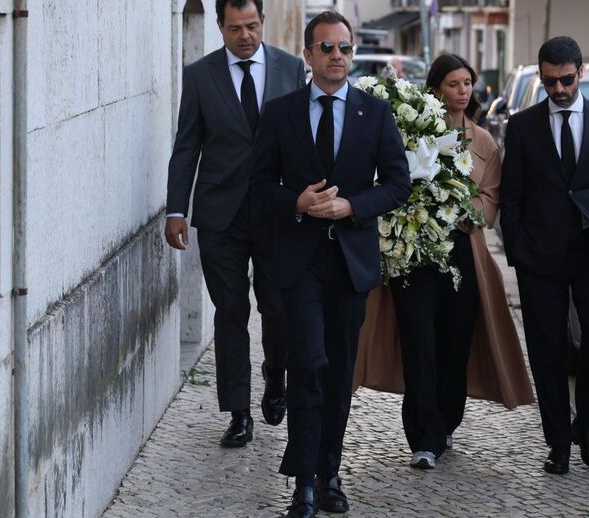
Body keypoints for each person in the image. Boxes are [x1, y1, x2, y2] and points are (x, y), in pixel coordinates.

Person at [250, 11, 411, 518]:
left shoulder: (374, 113)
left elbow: (399, 183)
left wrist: (353, 206)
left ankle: (331, 472)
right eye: (327, 48)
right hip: (298, 262)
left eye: (344, 48)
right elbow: (256, 187)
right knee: (309, 364)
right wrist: (295, 202)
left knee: (339, 370)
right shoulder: (280, 113)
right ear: (309, 55)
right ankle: (303, 482)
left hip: (349, 260)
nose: (337, 56)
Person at [353, 54, 534, 470]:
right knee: (419, 344)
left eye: (468, 82)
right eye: (454, 84)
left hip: (464, 258)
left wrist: (451, 200)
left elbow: (490, 205)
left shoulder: (484, 143)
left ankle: (446, 423)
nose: (464, 90)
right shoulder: (412, 133)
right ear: (436, 91)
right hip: (414, 256)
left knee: (454, 346)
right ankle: (422, 435)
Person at [164, 0, 305, 448]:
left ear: (262, 23)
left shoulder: (290, 67)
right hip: (219, 213)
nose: (244, 36)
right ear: (220, 28)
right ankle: (238, 412)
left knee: (278, 309)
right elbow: (187, 146)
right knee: (230, 313)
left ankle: (275, 374)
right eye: (234, 28)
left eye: (251, 26)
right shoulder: (200, 75)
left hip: (277, 213)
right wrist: (175, 209)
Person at [499, 36, 589, 475]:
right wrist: (517, 251)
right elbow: (512, 197)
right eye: (548, 82)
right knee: (548, 351)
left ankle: (588, 426)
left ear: (581, 72)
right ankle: (559, 443)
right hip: (540, 258)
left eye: (565, 80)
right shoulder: (521, 127)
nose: (557, 89)